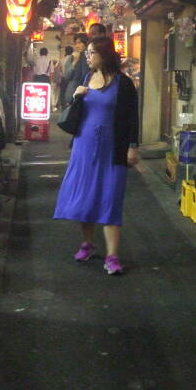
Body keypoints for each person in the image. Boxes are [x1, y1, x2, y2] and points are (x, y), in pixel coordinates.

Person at [53, 36, 139, 275]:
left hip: (113, 148)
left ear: (105, 55)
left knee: (111, 197)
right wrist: (77, 96)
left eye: (92, 53)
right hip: (84, 146)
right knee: (86, 196)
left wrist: (132, 145)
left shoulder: (123, 84)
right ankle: (87, 244)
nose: (88, 57)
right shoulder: (86, 79)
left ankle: (112, 256)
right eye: (88, 53)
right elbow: (76, 112)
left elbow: (132, 117)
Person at [63, 33, 89, 104]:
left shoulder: (90, 58)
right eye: (76, 43)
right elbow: (66, 76)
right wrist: (74, 62)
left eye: (80, 43)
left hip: (87, 93)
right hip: (72, 94)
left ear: (86, 43)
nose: (77, 46)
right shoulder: (71, 57)